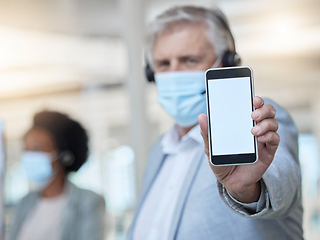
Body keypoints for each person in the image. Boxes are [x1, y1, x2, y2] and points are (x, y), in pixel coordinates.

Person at [128, 5, 303, 240]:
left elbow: (284, 183)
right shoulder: (158, 150)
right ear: (151, 73)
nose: (174, 73)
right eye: (163, 64)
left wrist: (247, 189)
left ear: (227, 63)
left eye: (189, 60)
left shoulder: (255, 118)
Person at [8, 111, 105, 240]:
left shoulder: (88, 201)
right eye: (26, 150)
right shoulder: (24, 202)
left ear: (62, 155)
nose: (29, 156)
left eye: (37, 149)